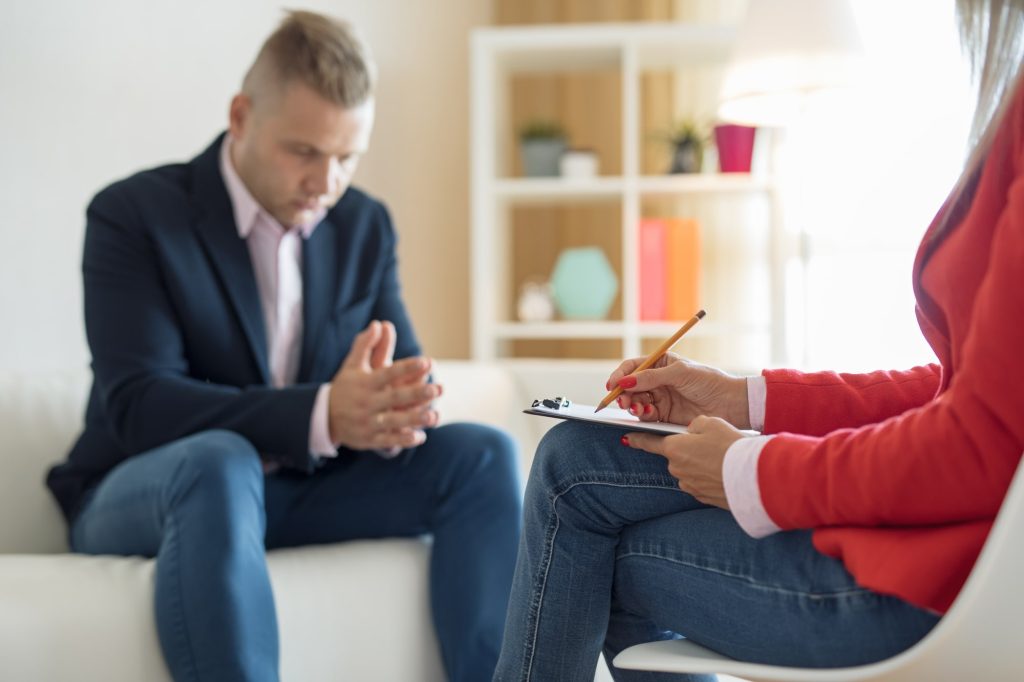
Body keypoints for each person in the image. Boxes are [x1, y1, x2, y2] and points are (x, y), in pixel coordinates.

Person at [493, 0, 1024, 679]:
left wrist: (757, 469)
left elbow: (977, 444)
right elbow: (958, 389)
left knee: (593, 531)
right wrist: (743, 400)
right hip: (935, 544)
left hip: (929, 584)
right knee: (575, 455)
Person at [45, 11, 521, 682]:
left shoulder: (363, 224)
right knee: (219, 461)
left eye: (347, 156)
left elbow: (398, 376)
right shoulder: (135, 216)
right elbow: (139, 405)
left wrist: (391, 414)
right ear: (241, 116)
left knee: (483, 456)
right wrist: (324, 413)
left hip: (299, 490)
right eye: (304, 151)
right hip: (146, 488)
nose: (327, 182)